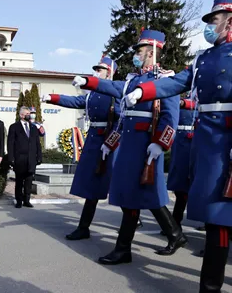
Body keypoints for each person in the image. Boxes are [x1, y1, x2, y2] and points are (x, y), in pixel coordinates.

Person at [123, 0, 232, 290]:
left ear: (230, 20)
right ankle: (209, 287)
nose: (210, 26)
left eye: (215, 20)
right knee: (216, 218)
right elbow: (176, 82)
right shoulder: (203, 58)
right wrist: (144, 91)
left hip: (228, 142)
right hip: (208, 144)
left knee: (222, 217)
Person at [72, 29, 187, 265]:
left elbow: (170, 117)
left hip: (145, 147)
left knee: (134, 198)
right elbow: (118, 104)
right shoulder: (132, 80)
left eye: (140, 50)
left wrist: (160, 144)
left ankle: (124, 248)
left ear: (152, 51)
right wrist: (89, 82)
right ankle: (173, 235)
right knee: (133, 196)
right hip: (128, 148)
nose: (136, 54)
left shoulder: (164, 79)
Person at [42, 56, 123, 239]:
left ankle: (133, 218)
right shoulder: (92, 94)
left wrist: (111, 143)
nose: (96, 72)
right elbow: (76, 101)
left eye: (100, 70)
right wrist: (52, 98)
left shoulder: (117, 90)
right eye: (96, 69)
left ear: (110, 72)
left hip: (110, 142)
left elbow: (122, 120)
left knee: (119, 184)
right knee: (92, 185)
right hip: (94, 140)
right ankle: (84, 227)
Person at [161, 95, 196, 235]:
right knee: (180, 187)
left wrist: (183, 103)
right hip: (179, 144)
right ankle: (175, 223)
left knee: (202, 186)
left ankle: (209, 222)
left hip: (195, 141)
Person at [8, 106, 42, 208]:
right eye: (27, 114)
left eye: (29, 113)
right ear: (22, 115)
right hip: (19, 159)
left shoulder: (33, 127)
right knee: (19, 181)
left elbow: (37, 143)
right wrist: (11, 158)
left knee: (29, 181)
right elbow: (10, 143)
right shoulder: (14, 127)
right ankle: (19, 200)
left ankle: (27, 200)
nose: (29, 115)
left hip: (31, 159)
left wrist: (39, 156)